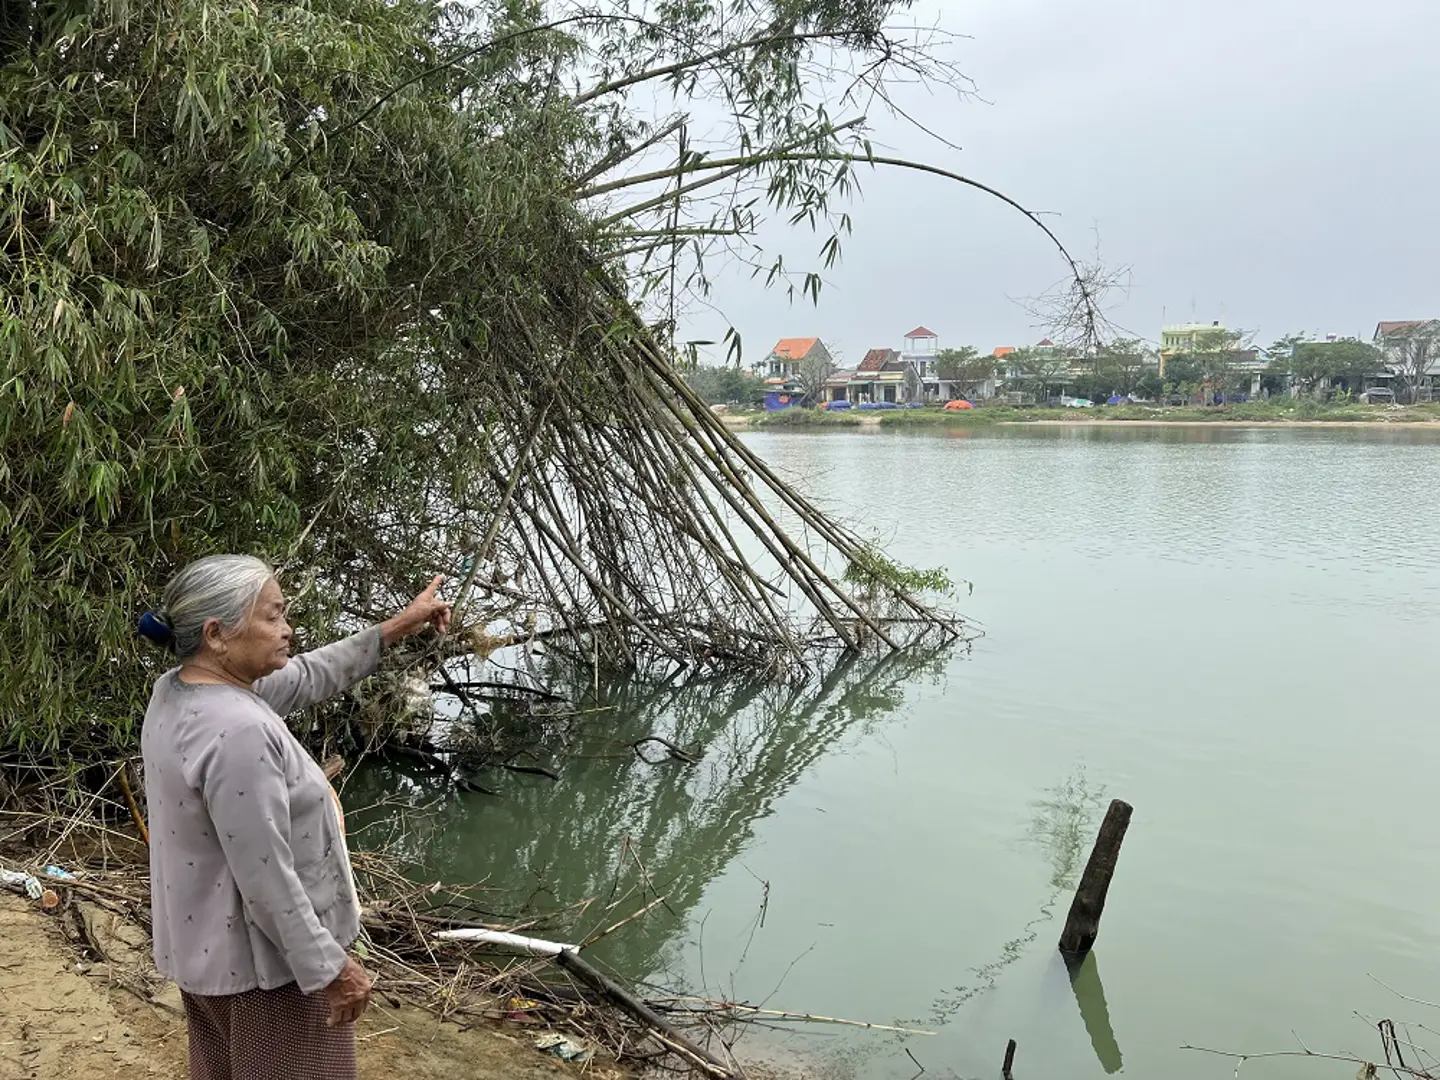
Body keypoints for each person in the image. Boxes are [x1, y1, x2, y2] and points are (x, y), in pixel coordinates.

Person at [137, 554, 451, 1080]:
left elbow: (309, 675)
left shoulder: (181, 689)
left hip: (210, 950)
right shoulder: (237, 730)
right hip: (268, 971)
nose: (288, 629)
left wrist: (400, 623)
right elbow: (266, 877)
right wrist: (329, 968)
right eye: (273, 616)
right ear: (217, 633)